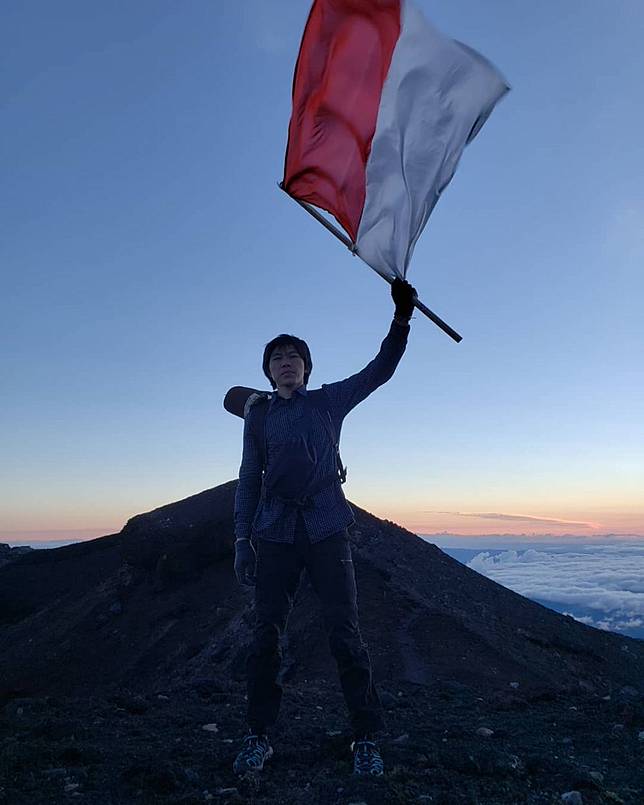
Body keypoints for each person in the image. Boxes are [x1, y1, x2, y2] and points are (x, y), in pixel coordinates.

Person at [232, 278, 417, 777]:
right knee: (266, 636)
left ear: (307, 368)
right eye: (277, 358)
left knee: (345, 634)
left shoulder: (329, 402)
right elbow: (250, 476)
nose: (286, 361)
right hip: (273, 532)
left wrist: (401, 319)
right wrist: (241, 540)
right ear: (268, 372)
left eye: (294, 356)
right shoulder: (260, 415)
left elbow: (380, 370)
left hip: (327, 527)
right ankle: (258, 736)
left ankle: (366, 738)